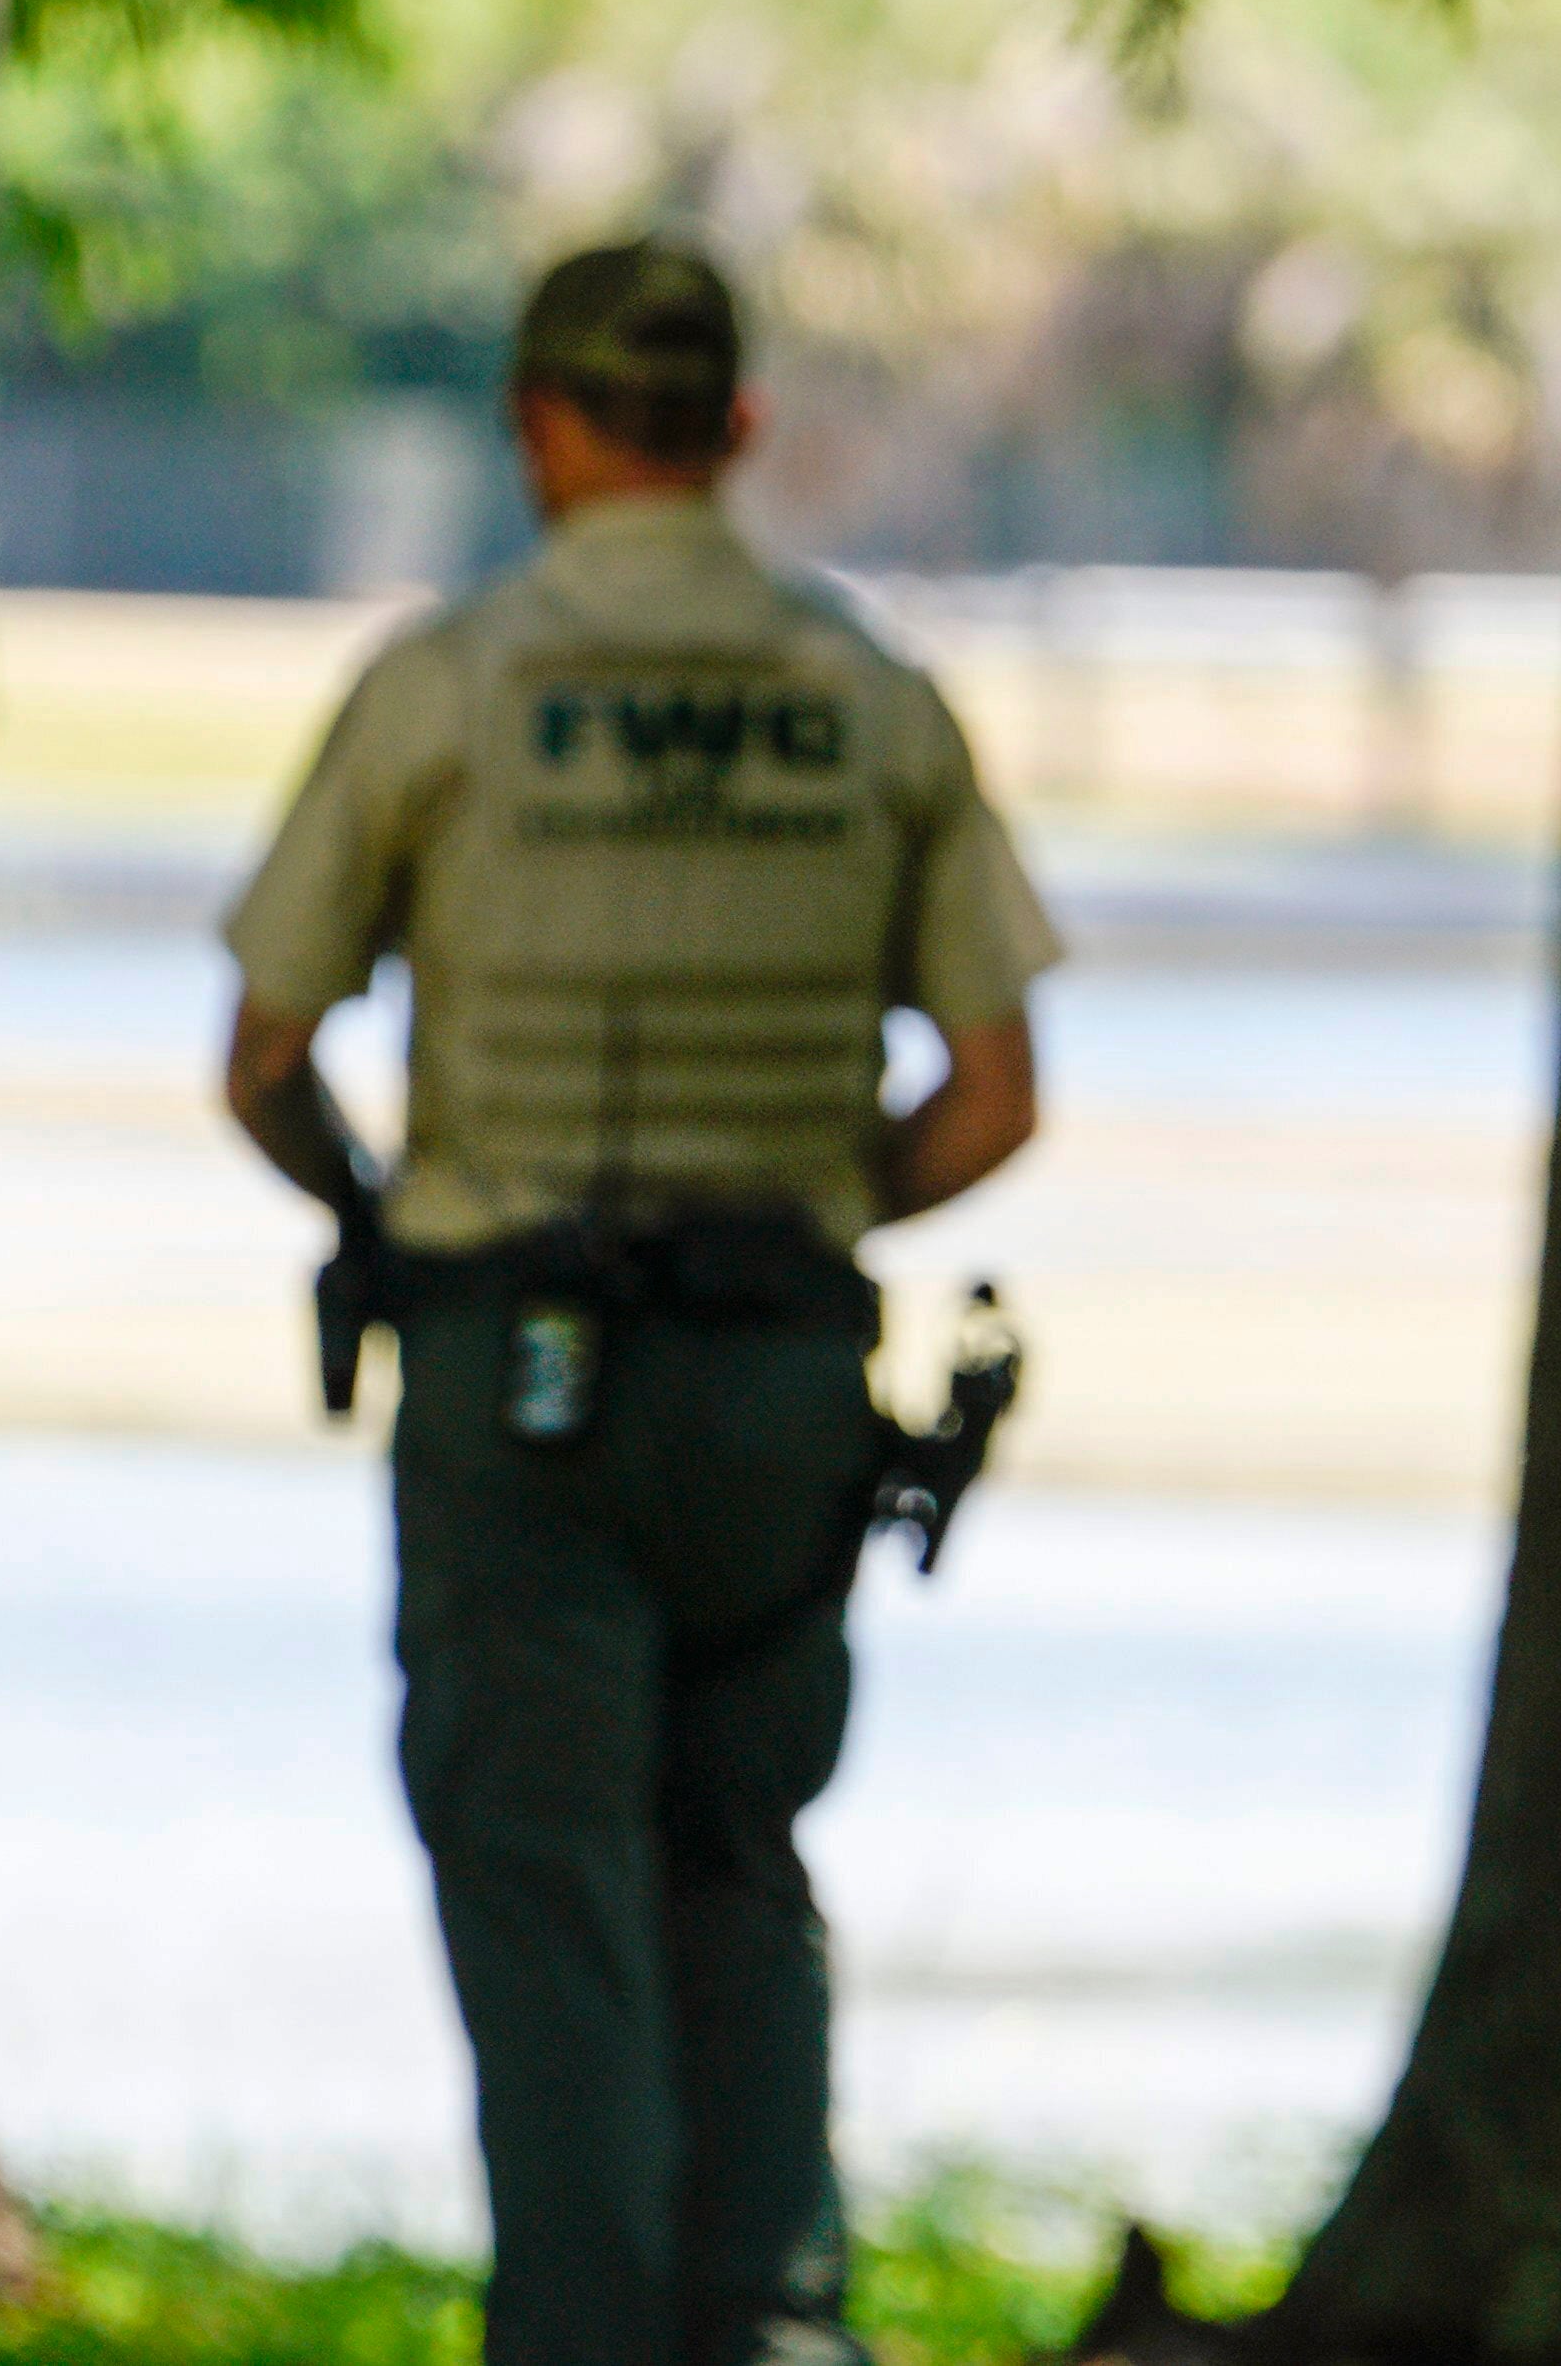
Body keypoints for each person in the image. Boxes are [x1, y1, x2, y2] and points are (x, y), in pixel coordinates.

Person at [221, 240, 1053, 2366]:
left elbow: (264, 1051)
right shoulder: (864, 693)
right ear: (740, 428)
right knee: (740, 1864)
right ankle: (777, 2324)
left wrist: (388, 1209)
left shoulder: (451, 685)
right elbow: (990, 1095)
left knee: (547, 1894)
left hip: (523, 1377)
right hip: (786, 1378)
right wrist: (793, 1207)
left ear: (540, 422)